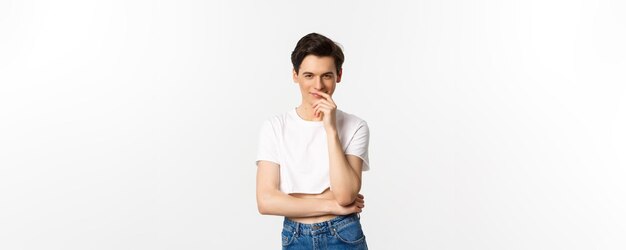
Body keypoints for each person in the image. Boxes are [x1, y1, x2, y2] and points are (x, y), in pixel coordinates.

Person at [256, 32, 370, 249]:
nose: (318, 85)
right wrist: (331, 204)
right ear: (295, 75)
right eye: (309, 75)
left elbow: (345, 195)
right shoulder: (275, 127)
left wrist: (331, 130)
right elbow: (266, 201)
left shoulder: (356, 126)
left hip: (343, 233)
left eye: (326, 75)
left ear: (339, 75)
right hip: (295, 235)